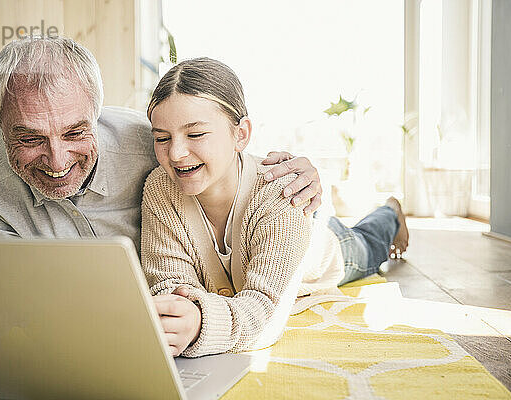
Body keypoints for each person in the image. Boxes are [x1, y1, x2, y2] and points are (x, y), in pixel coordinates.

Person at [141, 57, 409, 358]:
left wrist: (201, 321)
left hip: (323, 251)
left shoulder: (281, 194)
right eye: (162, 138)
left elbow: (265, 313)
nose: (176, 153)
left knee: (369, 243)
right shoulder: (159, 188)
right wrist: (179, 314)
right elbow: (170, 287)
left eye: (196, 134)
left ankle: (390, 212)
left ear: (241, 134)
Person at [0, 36, 323, 250]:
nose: (57, 159)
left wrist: (298, 176)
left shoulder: (146, 142)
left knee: (355, 247)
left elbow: (223, 156)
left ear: (95, 115)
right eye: (31, 138)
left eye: (75, 132)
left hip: (294, 247)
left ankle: (384, 215)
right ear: (0, 125)